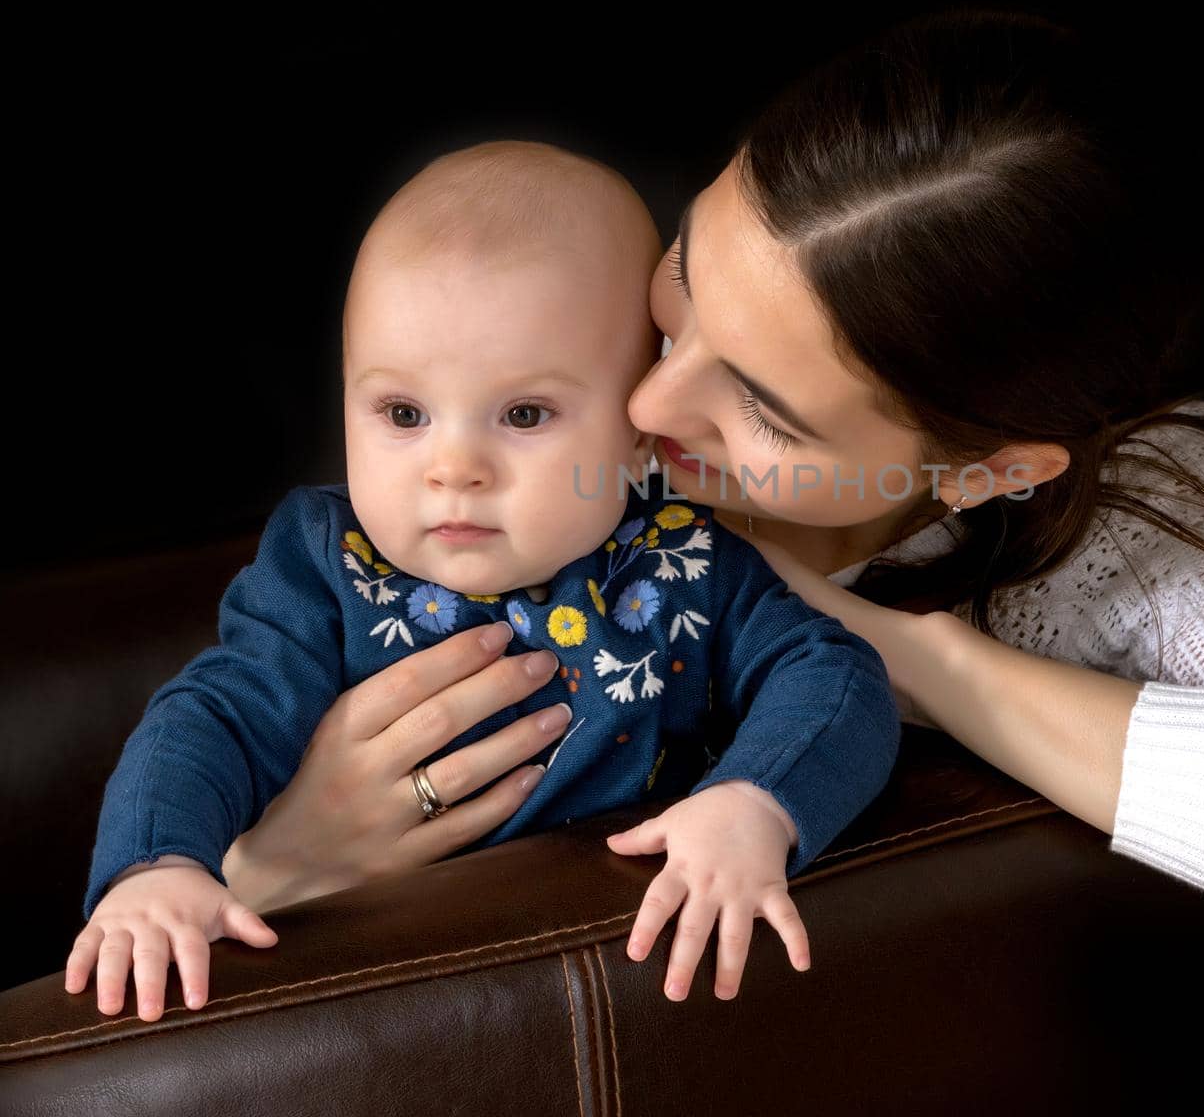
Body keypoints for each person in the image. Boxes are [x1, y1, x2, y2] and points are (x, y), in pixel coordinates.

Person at [175, 6, 1204, 1005]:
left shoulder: (1149, 503)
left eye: (762, 407)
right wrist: (286, 858)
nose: (646, 407)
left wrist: (902, 654)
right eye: (688, 278)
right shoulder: (576, 380)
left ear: (986, 467)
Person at [64, 141, 902, 1024]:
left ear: (638, 429)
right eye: (403, 414)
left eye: (525, 413)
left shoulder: (684, 561)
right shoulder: (325, 565)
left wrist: (756, 801)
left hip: (614, 987)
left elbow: (836, 676)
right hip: (364, 991)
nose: (453, 466)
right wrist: (160, 867)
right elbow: (212, 720)